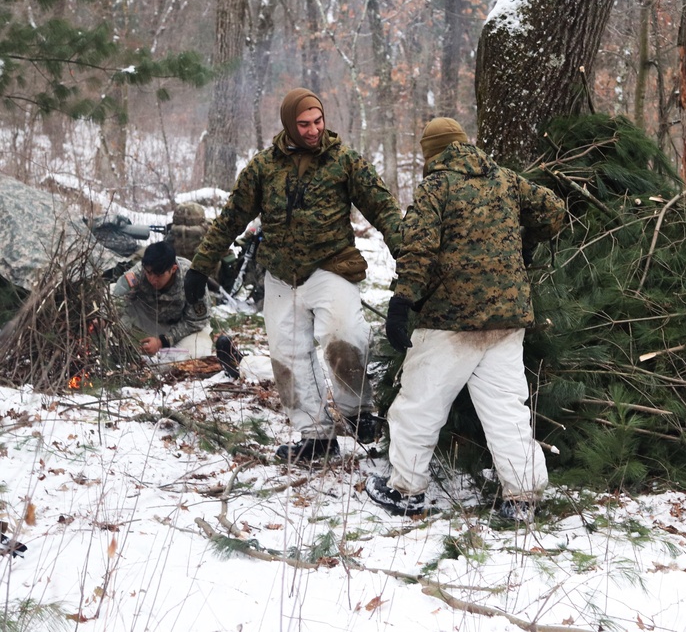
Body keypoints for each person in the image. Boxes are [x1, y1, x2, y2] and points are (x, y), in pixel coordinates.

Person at [184, 87, 402, 462]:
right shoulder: (263, 167)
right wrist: (202, 266)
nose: (313, 129)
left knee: (344, 336)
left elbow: (385, 212)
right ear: (289, 124)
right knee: (288, 355)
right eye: (304, 124)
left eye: (318, 121)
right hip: (281, 275)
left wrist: (411, 261)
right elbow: (231, 218)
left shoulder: (346, 162)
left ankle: (359, 412)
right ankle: (316, 434)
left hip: (331, 266)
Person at [365, 117, 566, 521]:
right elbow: (554, 211)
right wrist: (521, 246)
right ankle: (522, 497)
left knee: (419, 405)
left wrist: (403, 301)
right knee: (506, 409)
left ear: (431, 154)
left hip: (451, 320)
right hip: (507, 319)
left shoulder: (437, 186)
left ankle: (405, 490)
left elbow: (417, 248)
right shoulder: (506, 179)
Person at [113, 241, 214, 361]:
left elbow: (197, 321)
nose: (152, 279)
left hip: (181, 326)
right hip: (149, 318)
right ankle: (117, 347)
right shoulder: (141, 271)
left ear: (173, 269)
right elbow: (119, 293)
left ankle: (165, 358)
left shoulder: (191, 277)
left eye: (159, 275)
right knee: (110, 294)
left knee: (198, 352)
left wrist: (163, 341)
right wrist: (104, 318)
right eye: (149, 273)